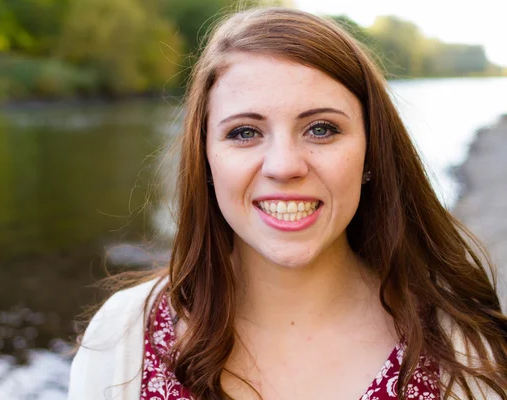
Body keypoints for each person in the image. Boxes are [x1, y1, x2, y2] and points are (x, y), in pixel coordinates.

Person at [68, 7, 507, 400]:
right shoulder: (122, 340)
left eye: (320, 129)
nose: (284, 166)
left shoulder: (466, 354)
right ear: (205, 159)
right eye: (244, 132)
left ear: (372, 152)